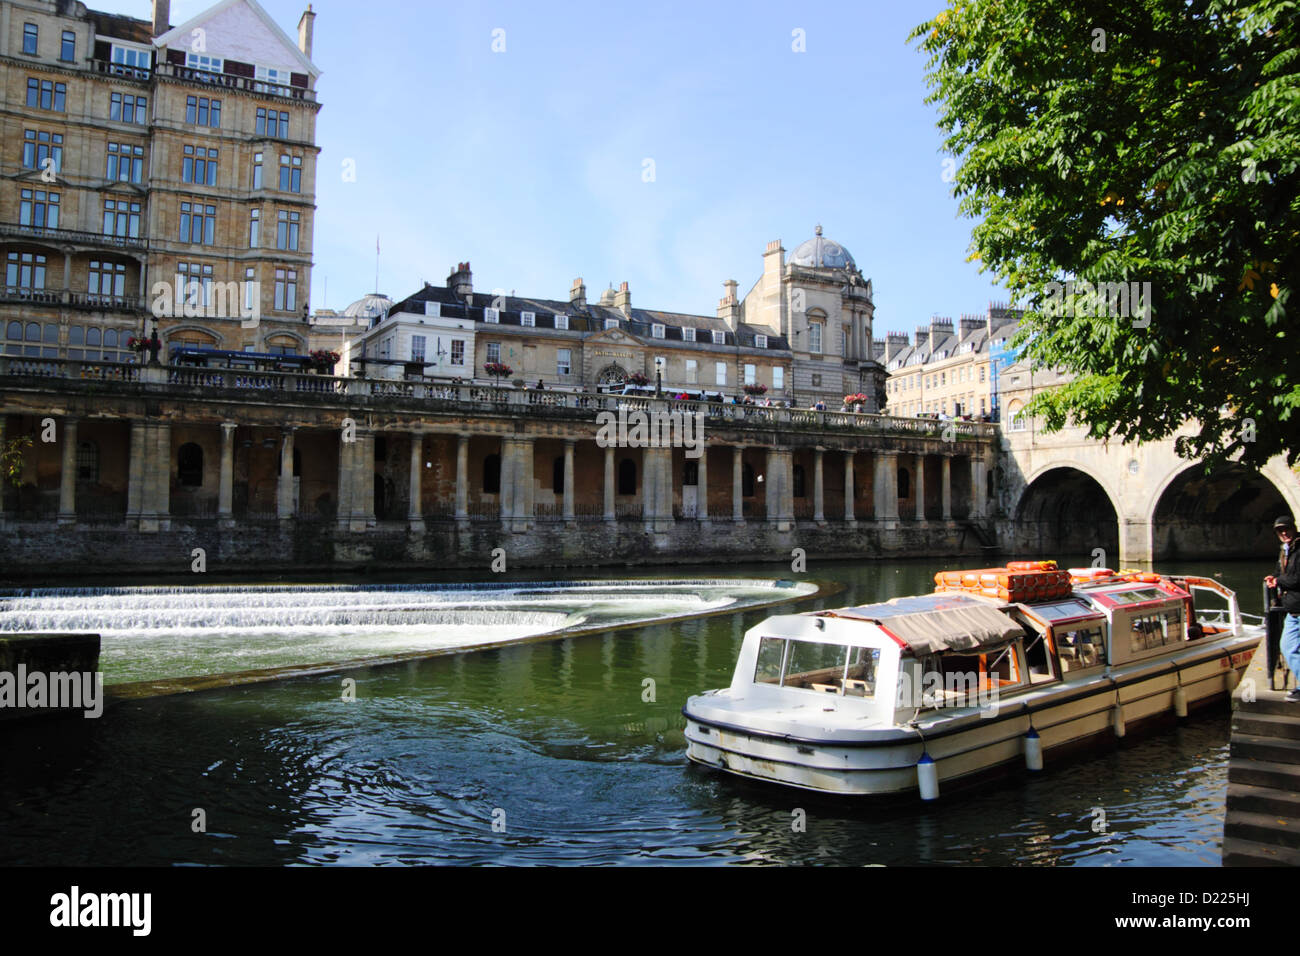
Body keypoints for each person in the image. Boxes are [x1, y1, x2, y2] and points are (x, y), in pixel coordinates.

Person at [1266, 515, 1300, 701]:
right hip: (1292, 608)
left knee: (1291, 648)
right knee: (1287, 647)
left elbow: (1297, 578)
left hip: (1297, 605)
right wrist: (1273, 577)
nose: (1284, 533)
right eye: (1280, 530)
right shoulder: (1285, 550)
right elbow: (1281, 571)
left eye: (1286, 529)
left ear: (1294, 529)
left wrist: (1278, 581)